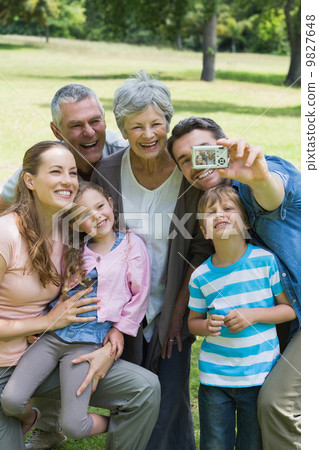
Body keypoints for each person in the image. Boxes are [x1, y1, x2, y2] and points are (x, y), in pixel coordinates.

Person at [0, 141, 160, 450]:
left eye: (71, 172)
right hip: (13, 362)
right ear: (29, 181)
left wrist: (117, 333)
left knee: (145, 387)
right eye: (55, 171)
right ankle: (30, 418)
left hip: (67, 345)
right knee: (11, 402)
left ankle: (116, 426)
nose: (66, 180)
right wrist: (44, 323)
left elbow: (119, 292)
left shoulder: (69, 236)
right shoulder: (7, 234)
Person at [91, 71, 212, 450]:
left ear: (168, 123)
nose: (148, 134)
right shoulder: (106, 172)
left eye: (157, 123)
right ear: (122, 129)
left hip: (173, 301)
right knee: (132, 398)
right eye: (136, 125)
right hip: (122, 310)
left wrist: (179, 313)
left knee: (172, 395)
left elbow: (198, 250)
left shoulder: (190, 171)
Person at [167, 116, 301, 450]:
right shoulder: (214, 216)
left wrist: (260, 178)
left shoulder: (262, 175)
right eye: (186, 160)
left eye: (204, 152)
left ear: (224, 147)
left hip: (301, 318)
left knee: (275, 406)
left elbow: (272, 195)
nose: (197, 164)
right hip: (233, 366)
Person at [188, 184, 296, 450]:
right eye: (211, 213)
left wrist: (252, 315)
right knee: (215, 444)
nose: (219, 214)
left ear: (246, 221)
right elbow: (193, 322)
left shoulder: (265, 262)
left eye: (227, 208)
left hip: (258, 375)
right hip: (215, 379)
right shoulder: (201, 276)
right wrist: (206, 325)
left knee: (251, 444)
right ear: (204, 230)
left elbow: (288, 309)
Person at [0, 83, 128, 212]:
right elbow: (3, 206)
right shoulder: (44, 163)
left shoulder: (126, 153)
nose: (89, 132)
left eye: (95, 121)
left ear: (104, 120)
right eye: (76, 125)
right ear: (57, 131)